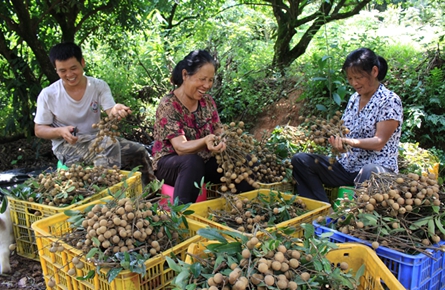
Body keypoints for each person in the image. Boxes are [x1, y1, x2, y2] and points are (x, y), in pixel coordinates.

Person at [34, 42, 155, 186]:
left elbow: (111, 111)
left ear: (82, 63)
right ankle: (105, 196)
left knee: (138, 151)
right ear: (56, 70)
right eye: (63, 71)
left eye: (73, 68)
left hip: (98, 141)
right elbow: (39, 129)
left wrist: (117, 111)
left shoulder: (98, 86)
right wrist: (60, 131)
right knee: (109, 144)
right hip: (68, 146)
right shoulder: (49, 95)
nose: (69, 74)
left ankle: (149, 195)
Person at [291, 48, 403, 203]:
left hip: (377, 169)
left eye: (358, 77)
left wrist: (349, 142)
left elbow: (379, 142)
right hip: (348, 167)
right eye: (350, 78)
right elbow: (346, 134)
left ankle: (350, 216)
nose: (354, 83)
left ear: (374, 71)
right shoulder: (354, 99)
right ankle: (322, 209)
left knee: (369, 171)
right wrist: (340, 145)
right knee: (300, 160)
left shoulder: (389, 100)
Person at [152, 50, 253, 204]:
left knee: (240, 159)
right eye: (202, 79)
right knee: (192, 162)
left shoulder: (207, 102)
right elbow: (180, 147)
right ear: (185, 75)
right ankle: (181, 217)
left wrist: (225, 141)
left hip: (202, 164)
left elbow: (219, 131)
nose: (207, 85)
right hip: (171, 166)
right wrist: (205, 141)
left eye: (211, 80)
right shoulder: (169, 104)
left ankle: (245, 208)